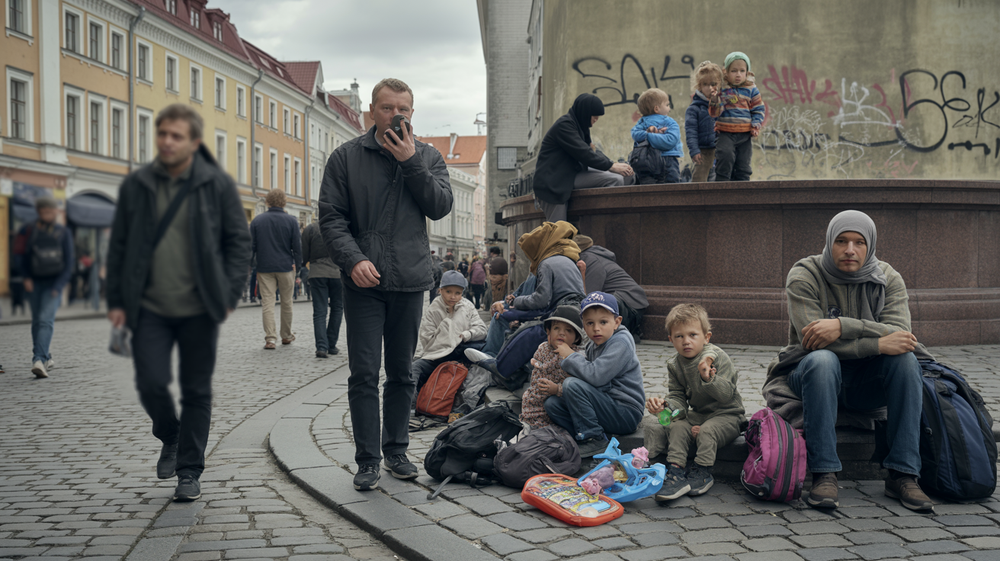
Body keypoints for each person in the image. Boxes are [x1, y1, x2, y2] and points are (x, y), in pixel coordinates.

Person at [106, 104, 251, 502]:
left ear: (193, 142)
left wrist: (228, 291)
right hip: (148, 304)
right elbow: (120, 244)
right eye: (162, 134)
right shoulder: (139, 184)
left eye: (176, 135)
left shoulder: (215, 185)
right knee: (150, 381)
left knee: (195, 388)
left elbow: (239, 242)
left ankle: (190, 471)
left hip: (198, 304)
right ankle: (169, 433)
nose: (167, 141)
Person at [319, 77, 453, 491]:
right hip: (363, 283)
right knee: (363, 373)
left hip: (411, 280)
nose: (397, 115)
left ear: (412, 112)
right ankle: (367, 460)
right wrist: (353, 258)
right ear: (371, 113)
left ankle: (396, 450)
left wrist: (411, 161)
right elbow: (331, 218)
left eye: (404, 109)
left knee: (401, 373)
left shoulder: (428, 157)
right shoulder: (346, 158)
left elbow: (440, 205)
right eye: (388, 108)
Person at [763, 210, 933, 512]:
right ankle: (824, 472)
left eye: (859, 242)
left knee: (906, 361)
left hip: (865, 382)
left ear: (870, 246)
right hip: (809, 374)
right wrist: (878, 342)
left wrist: (842, 326)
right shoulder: (805, 273)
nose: (850, 250)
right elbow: (811, 338)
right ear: (830, 242)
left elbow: (901, 336)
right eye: (841, 241)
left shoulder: (888, 278)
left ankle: (903, 473)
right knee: (823, 359)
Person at [645, 304, 745, 500]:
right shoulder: (675, 365)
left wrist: (709, 379)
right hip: (699, 415)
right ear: (671, 339)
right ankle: (675, 472)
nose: (686, 341)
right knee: (677, 426)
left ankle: (703, 470)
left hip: (728, 415)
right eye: (679, 336)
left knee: (707, 430)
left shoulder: (717, 357)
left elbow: (726, 395)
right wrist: (666, 406)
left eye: (693, 335)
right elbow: (678, 398)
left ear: (706, 337)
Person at [465, 221, 585, 371]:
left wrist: (517, 302)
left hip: (562, 312)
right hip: (575, 311)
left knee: (529, 333)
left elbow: (541, 299)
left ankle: (500, 367)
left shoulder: (546, 263)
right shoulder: (568, 259)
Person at [544, 292, 645, 457]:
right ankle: (580, 436)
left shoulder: (621, 342)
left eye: (603, 322)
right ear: (583, 325)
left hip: (626, 412)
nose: (596, 328)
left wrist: (570, 355)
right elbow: (591, 380)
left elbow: (596, 376)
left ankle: (595, 439)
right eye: (590, 323)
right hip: (606, 405)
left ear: (616, 322)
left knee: (572, 386)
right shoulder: (593, 344)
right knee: (552, 404)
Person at [532, 93, 635, 223]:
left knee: (623, 176)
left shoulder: (579, 126)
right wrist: (611, 166)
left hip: (571, 175)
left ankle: (607, 221)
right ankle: (603, 222)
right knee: (557, 235)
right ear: (585, 112)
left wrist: (613, 164)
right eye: (595, 115)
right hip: (553, 184)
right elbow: (584, 153)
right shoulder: (564, 126)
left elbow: (592, 151)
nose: (597, 119)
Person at [13, 196, 74, 378]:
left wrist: (59, 286)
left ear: (55, 211)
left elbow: (69, 262)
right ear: (38, 212)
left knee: (46, 319)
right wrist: (25, 278)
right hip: (34, 282)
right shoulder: (28, 229)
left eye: (49, 211)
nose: (46, 214)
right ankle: (45, 357)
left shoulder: (63, 232)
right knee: (37, 320)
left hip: (53, 284)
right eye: (43, 211)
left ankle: (38, 359)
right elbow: (19, 254)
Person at [410, 270, 486, 398]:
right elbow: (426, 339)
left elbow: (482, 330)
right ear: (440, 290)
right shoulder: (434, 308)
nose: (453, 297)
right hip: (437, 355)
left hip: (461, 354)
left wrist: (468, 334)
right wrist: (446, 331)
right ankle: (412, 403)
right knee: (414, 369)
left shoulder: (467, 306)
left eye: (458, 293)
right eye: (448, 292)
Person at [250, 189, 301, 349]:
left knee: (268, 303)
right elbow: (297, 247)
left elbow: (251, 247)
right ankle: (286, 336)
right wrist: (297, 267)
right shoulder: (291, 221)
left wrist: (251, 266)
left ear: (267, 202)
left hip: (264, 267)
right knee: (287, 302)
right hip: (286, 266)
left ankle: (270, 339)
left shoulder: (257, 221)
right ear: (284, 202)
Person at [574, 235, 648, 344]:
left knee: (598, 302)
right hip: (630, 303)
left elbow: (589, 296)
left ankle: (627, 330)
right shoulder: (591, 256)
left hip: (630, 304)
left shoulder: (590, 259)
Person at [520, 306, 585, 429]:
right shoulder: (543, 348)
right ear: (548, 332)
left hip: (557, 405)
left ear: (576, 338)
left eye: (568, 330)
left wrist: (557, 389)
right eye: (556, 328)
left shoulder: (576, 357)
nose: (561, 333)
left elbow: (578, 389)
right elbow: (536, 372)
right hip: (534, 402)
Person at [708, 52, 765, 182]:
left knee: (743, 165)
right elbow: (714, 113)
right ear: (726, 72)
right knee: (725, 157)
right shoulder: (722, 89)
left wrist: (756, 124)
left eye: (742, 71)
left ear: (747, 72)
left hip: (745, 135)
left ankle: (743, 192)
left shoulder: (752, 89)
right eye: (734, 71)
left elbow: (758, 109)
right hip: (725, 133)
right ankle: (722, 187)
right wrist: (715, 99)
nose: (738, 74)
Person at [301, 221, 343, 358]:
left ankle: (321, 347)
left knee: (319, 311)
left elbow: (304, 254)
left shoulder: (311, 229)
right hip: (338, 273)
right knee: (337, 308)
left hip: (317, 273)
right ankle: (331, 344)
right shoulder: (341, 226)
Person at [630, 88, 683, 184]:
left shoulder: (641, 123)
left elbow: (636, 134)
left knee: (648, 190)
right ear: (656, 108)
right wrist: (653, 135)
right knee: (672, 188)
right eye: (667, 105)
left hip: (646, 160)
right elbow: (670, 140)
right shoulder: (670, 122)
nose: (669, 108)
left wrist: (648, 135)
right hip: (668, 159)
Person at [686, 62, 723, 183]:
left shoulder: (722, 104)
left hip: (719, 148)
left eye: (713, 84)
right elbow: (691, 131)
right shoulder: (694, 108)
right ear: (699, 86)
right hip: (703, 150)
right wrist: (694, 151)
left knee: (719, 177)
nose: (710, 88)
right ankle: (695, 200)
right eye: (705, 84)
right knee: (699, 177)